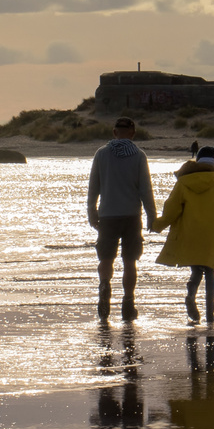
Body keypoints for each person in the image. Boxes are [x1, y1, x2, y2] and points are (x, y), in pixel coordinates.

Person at [152, 146, 214, 323]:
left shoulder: (184, 182)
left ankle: (191, 295)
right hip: (213, 235)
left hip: (189, 234)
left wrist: (157, 225)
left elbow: (172, 209)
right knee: (210, 273)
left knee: (196, 271)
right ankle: (210, 314)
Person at [87, 117, 157, 321]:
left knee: (106, 258)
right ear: (133, 134)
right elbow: (146, 189)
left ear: (114, 132)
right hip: (131, 216)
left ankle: (105, 285)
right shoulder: (138, 155)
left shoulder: (101, 154)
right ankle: (128, 302)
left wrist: (92, 211)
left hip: (107, 215)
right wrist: (151, 215)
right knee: (130, 261)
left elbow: (94, 186)